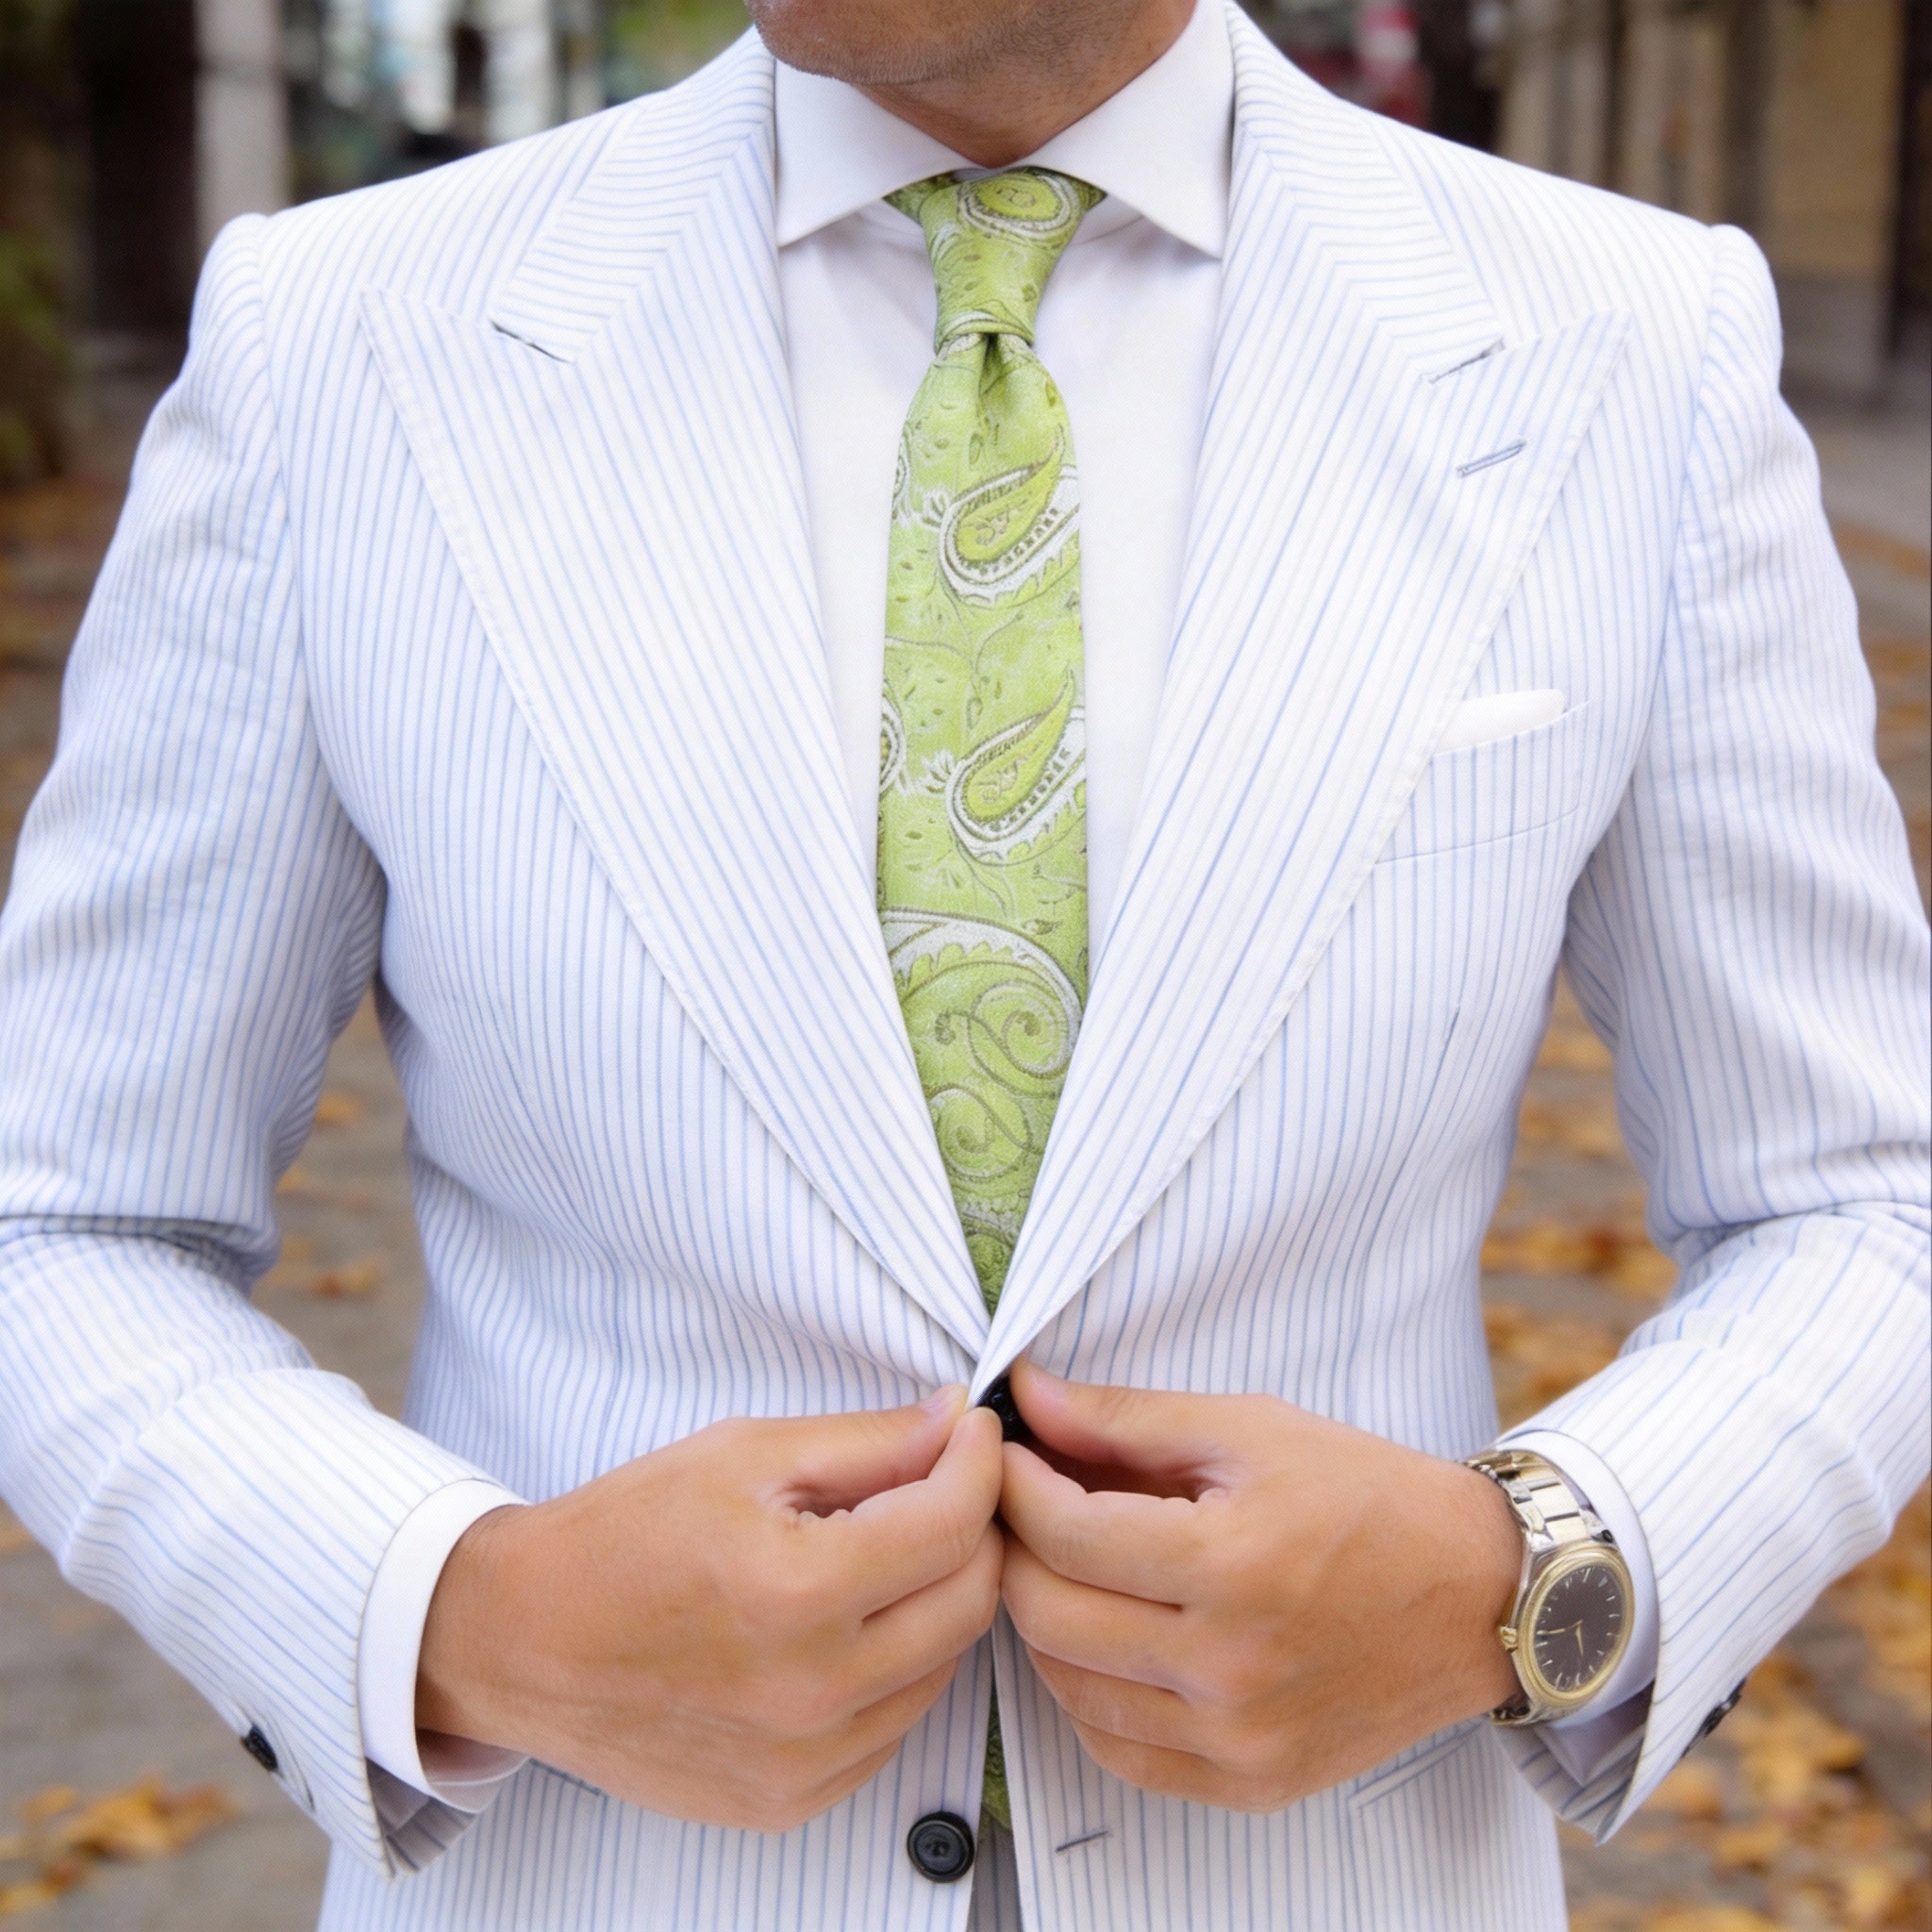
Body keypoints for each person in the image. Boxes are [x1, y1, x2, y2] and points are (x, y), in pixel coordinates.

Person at [0, 0, 1925, 1924]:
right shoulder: (339, 341)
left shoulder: (1628, 342)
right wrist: (450, 1615)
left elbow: (1862, 1197)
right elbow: (60, 1216)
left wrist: (1529, 1581)